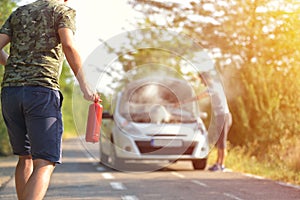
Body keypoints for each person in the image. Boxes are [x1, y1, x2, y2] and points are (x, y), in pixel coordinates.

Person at [0, 0, 98, 199]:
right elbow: (68, 45)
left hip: (10, 92)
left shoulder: (19, 12)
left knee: (24, 158)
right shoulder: (62, 11)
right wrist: (84, 85)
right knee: (44, 162)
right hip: (41, 92)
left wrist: (12, 65)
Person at [199, 71, 232, 172]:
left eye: (202, 80)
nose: (201, 82)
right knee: (219, 141)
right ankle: (219, 163)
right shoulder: (214, 86)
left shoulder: (214, 87)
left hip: (223, 117)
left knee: (221, 142)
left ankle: (221, 165)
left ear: (206, 78)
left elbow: (199, 97)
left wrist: (183, 102)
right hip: (221, 116)